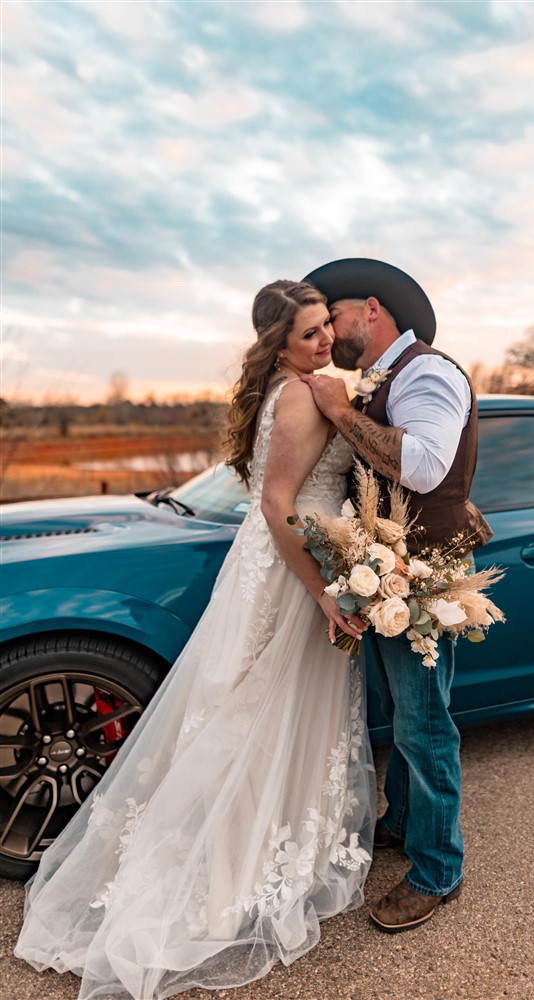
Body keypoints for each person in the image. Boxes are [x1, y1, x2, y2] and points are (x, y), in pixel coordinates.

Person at [14, 280, 375, 1000]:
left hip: (272, 565)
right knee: (260, 722)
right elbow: (277, 505)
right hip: (290, 572)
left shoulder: (293, 387)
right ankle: (232, 878)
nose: (323, 341)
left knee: (250, 716)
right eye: (307, 334)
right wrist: (322, 592)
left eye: (323, 328)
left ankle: (247, 856)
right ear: (278, 344)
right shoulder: (302, 394)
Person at [301, 258, 492, 934]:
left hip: (421, 577)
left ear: (372, 309)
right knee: (411, 708)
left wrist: (336, 412)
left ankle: (438, 871)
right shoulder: (386, 380)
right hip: (390, 573)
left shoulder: (429, 373)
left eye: (335, 315)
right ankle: (406, 820)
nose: (328, 329)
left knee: (422, 723)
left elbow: (422, 464)